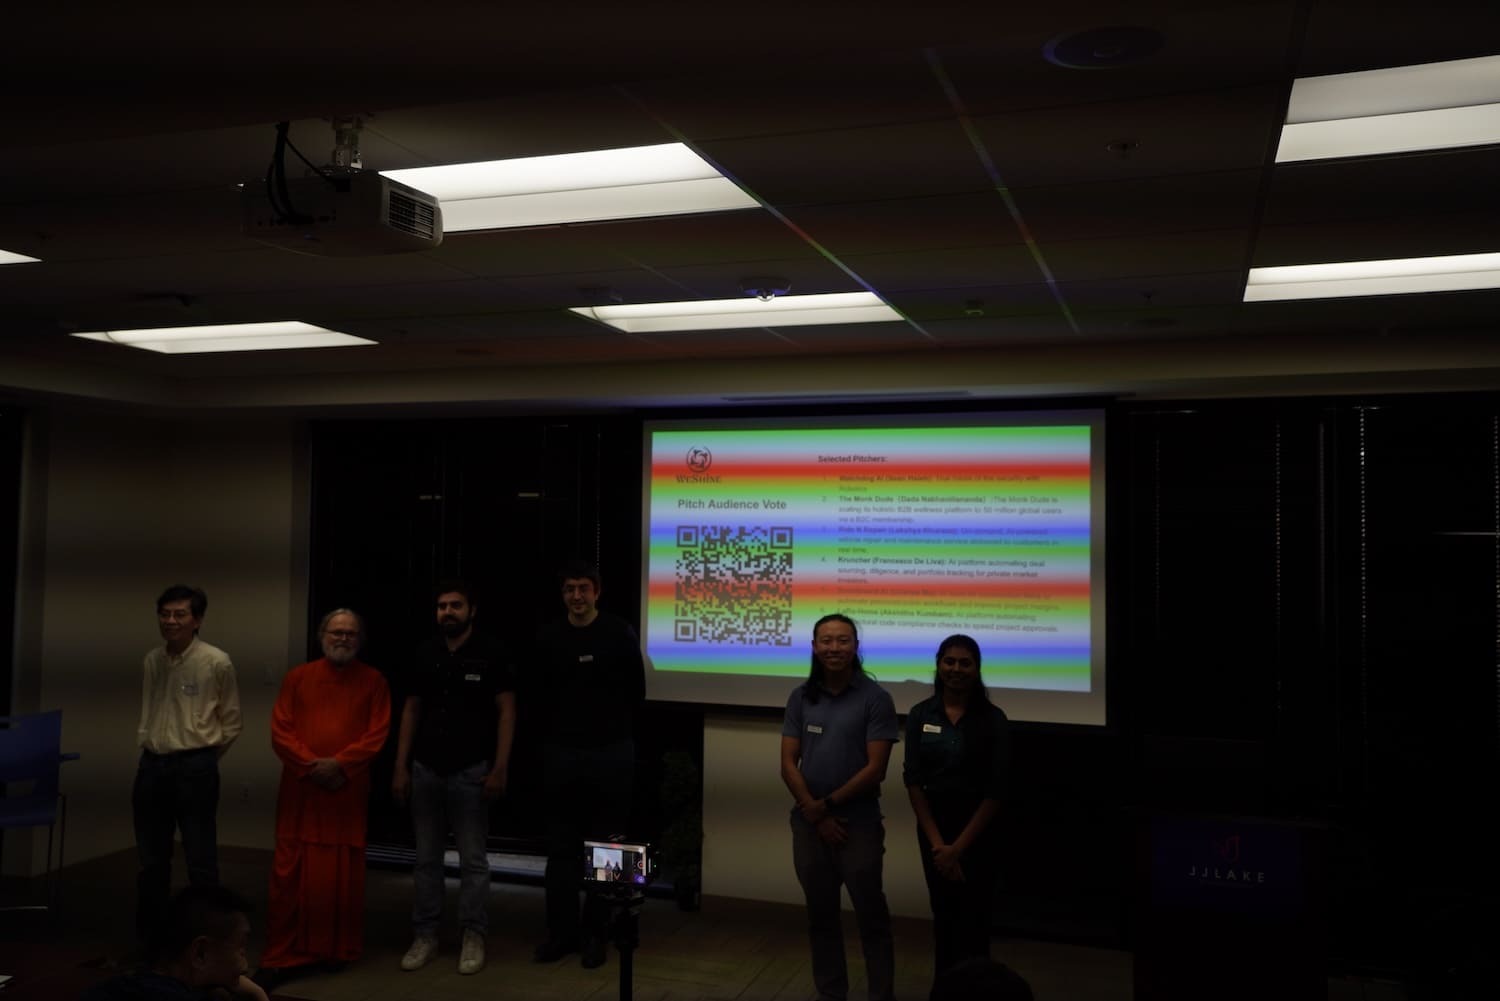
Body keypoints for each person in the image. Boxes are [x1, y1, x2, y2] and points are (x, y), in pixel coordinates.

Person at [253, 609, 391, 991]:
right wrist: (312, 766)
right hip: (302, 792)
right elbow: (281, 730)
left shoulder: (374, 682)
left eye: (351, 633)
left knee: (339, 873)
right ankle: (281, 955)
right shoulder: (297, 678)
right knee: (289, 874)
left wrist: (340, 765)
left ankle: (333, 950)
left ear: (360, 640)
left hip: (345, 792)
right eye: (336, 632)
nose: (343, 638)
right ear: (321, 636)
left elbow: (377, 734)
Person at [392, 580, 516, 975]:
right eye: (442, 606)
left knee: (473, 861)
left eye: (455, 605)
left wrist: (500, 767)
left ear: (471, 610)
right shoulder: (425, 652)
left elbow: (507, 711)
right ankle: (425, 935)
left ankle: (473, 934)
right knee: (426, 859)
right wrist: (400, 766)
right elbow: (411, 710)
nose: (448, 612)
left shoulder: (492, 652)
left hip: (472, 771)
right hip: (425, 769)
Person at [530, 562, 645, 969]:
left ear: (597, 591)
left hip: (612, 753)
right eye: (569, 589)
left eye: (583, 588)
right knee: (560, 850)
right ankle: (561, 934)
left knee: (609, 848)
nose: (576, 596)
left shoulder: (619, 632)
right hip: (561, 755)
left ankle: (599, 933)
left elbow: (636, 693)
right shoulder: (548, 637)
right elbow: (537, 697)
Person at [780, 613, 899, 1001]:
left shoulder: (876, 699)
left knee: (871, 918)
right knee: (821, 918)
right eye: (827, 641)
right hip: (810, 825)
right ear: (815, 647)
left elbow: (876, 769)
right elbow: (787, 763)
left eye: (843, 640)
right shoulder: (800, 697)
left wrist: (826, 806)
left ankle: (881, 995)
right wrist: (815, 813)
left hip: (857, 825)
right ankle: (831, 994)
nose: (834, 648)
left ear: (855, 647)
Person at [134, 585, 243, 949]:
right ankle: (152, 942)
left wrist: (203, 759)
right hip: (152, 766)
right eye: (165, 614)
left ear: (197, 620)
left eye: (180, 614)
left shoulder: (216, 662)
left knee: (200, 859)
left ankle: (207, 941)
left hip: (195, 767)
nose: (170, 621)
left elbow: (231, 722)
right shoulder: (153, 660)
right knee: (151, 861)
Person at [904, 635, 1011, 991]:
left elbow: (997, 790)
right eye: (949, 661)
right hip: (934, 830)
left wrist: (957, 849)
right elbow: (913, 780)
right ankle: (945, 992)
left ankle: (978, 994)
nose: (956, 669)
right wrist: (939, 846)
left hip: (978, 831)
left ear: (977, 668)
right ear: (938, 664)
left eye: (965, 663)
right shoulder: (920, 714)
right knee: (944, 917)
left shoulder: (993, 719)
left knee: (976, 919)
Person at [85, 885, 268, 1001]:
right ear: (200, 953)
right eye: (241, 948)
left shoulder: (115, 987)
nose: (245, 967)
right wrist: (259, 994)